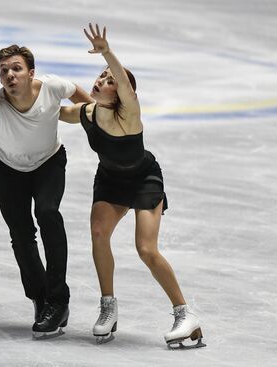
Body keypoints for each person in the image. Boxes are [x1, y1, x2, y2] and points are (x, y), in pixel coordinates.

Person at [59, 24, 206, 349]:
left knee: (146, 249)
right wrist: (21, 100)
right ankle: (108, 307)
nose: (102, 81)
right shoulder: (86, 113)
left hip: (143, 179)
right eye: (101, 76)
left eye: (110, 80)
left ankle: (185, 315)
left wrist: (108, 54)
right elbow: (55, 113)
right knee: (99, 234)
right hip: (110, 179)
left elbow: (125, 84)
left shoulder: (130, 115)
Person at [0, 44, 92, 339]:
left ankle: (59, 300)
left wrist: (94, 119)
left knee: (48, 213)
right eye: (4, 71)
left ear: (30, 73)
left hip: (48, 163)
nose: (10, 75)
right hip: (8, 169)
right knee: (22, 234)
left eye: (16, 69)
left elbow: (78, 92)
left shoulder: (50, 87)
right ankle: (41, 299)